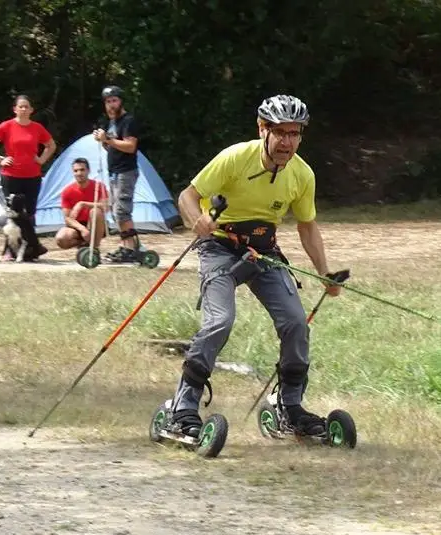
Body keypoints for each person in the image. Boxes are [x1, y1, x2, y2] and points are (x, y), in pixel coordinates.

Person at [169, 94, 341, 438]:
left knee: (295, 323)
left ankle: (288, 408)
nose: (287, 142)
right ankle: (182, 408)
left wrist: (325, 273)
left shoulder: (302, 174)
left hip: (263, 251)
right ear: (262, 129)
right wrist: (196, 221)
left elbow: (307, 226)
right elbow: (187, 196)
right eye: (280, 132)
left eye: (295, 134)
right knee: (220, 321)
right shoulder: (235, 158)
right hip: (219, 246)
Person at [0, 94, 56, 261]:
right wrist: (0, 159)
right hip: (11, 176)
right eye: (20, 106)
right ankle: (10, 250)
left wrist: (42, 159)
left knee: (29, 213)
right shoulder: (6, 126)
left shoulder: (37, 128)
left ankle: (30, 248)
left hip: (32, 176)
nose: (23, 109)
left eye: (26, 106)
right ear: (15, 109)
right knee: (13, 214)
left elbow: (51, 145)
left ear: (31, 110)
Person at [92, 85, 141, 263]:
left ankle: (131, 248)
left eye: (114, 100)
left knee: (122, 210)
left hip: (126, 171)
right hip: (113, 172)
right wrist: (103, 140)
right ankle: (126, 245)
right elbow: (110, 146)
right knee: (115, 210)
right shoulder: (111, 122)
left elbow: (130, 146)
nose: (111, 105)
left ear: (120, 101)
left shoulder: (128, 121)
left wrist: (108, 139)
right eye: (108, 102)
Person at [54, 157, 108, 251]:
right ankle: (83, 244)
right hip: (78, 225)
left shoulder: (99, 186)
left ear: (88, 171)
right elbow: (67, 218)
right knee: (61, 239)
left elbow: (106, 207)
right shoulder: (67, 191)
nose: (79, 173)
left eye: (82, 170)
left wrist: (83, 204)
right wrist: (82, 229)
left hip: (95, 223)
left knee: (96, 211)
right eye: (76, 171)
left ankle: (94, 247)